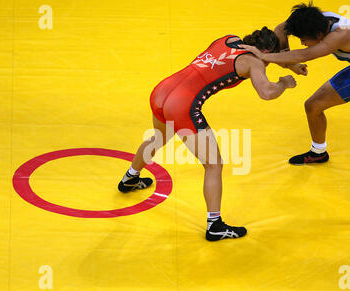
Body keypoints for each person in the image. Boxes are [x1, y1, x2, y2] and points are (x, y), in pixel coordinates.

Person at [118, 27, 306, 241]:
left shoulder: (229, 39)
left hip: (163, 91)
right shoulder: (253, 62)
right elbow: (267, 92)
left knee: (158, 138)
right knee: (214, 165)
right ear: (264, 52)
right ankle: (214, 225)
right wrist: (284, 83)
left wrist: (292, 64)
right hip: (181, 105)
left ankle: (130, 179)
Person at [240, 3, 350, 225]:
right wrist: (289, 63)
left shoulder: (341, 35)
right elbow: (281, 31)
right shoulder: (312, 20)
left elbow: (306, 54)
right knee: (313, 106)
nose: (302, 41)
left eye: (305, 38)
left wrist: (263, 56)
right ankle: (319, 152)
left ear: (319, 35)